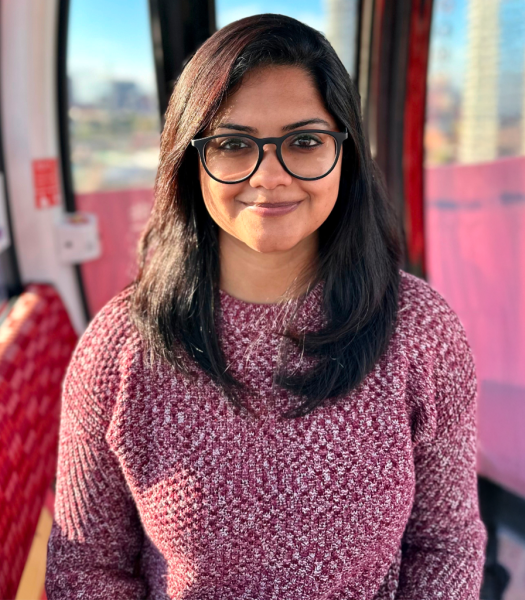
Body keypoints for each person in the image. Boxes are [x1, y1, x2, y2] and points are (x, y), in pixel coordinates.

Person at [45, 13, 485, 599]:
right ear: (191, 159)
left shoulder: (420, 330)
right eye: (232, 144)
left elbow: (446, 543)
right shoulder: (122, 348)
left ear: (345, 151)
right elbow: (86, 570)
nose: (269, 176)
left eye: (304, 141)